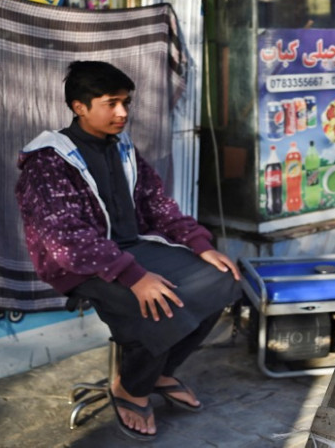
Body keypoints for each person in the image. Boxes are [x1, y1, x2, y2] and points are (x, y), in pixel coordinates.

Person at [15, 60, 242, 442]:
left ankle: (159, 371)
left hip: (131, 249)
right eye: (111, 103)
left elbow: (157, 205)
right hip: (80, 265)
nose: (122, 113)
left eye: (126, 103)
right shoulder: (49, 160)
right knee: (161, 305)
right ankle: (132, 388)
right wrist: (135, 277)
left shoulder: (123, 148)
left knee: (223, 280)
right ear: (79, 107)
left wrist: (198, 244)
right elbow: (68, 240)